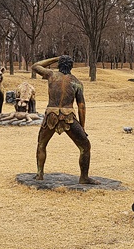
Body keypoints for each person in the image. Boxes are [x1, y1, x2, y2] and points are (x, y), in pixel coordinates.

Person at [32, 55, 97, 184]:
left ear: (59, 65)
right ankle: (84, 177)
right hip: (68, 117)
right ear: (71, 66)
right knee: (85, 146)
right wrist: (82, 127)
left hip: (51, 115)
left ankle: (40, 174)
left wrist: (55, 58)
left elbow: (35, 66)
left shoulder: (51, 75)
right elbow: (81, 106)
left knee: (41, 144)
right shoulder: (76, 82)